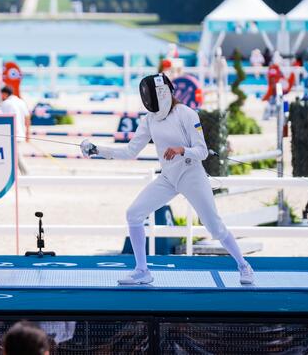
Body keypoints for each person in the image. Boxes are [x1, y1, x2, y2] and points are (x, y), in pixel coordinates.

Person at [81, 73, 254, 286]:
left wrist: (182, 150)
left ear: (161, 94)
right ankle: (142, 270)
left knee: (214, 227)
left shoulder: (186, 114)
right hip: (168, 177)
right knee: (134, 214)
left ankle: (244, 265)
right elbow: (130, 151)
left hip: (191, 176)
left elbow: (201, 152)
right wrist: (98, 149)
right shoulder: (149, 120)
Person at [0, 85, 31, 175]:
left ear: (5, 94)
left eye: (2, 94)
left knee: (16, 156)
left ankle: (26, 175)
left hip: (12, 134)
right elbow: (27, 117)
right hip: (21, 133)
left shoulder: (6, 104)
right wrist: (27, 133)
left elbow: (3, 119)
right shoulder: (21, 102)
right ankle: (22, 175)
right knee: (15, 156)